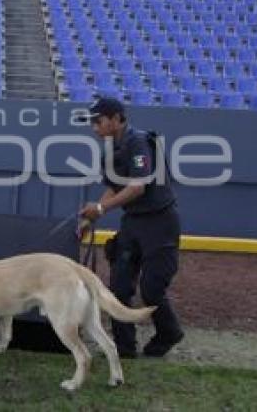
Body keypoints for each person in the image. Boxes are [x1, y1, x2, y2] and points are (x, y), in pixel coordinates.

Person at [78, 97, 184, 358]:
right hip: (133, 223)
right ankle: (124, 348)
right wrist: (91, 218)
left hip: (160, 222)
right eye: (92, 122)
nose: (94, 128)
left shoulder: (138, 142)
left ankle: (168, 332)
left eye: (98, 121)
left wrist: (101, 209)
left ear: (116, 118)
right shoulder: (110, 151)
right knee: (119, 286)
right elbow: (114, 188)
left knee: (152, 289)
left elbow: (137, 187)